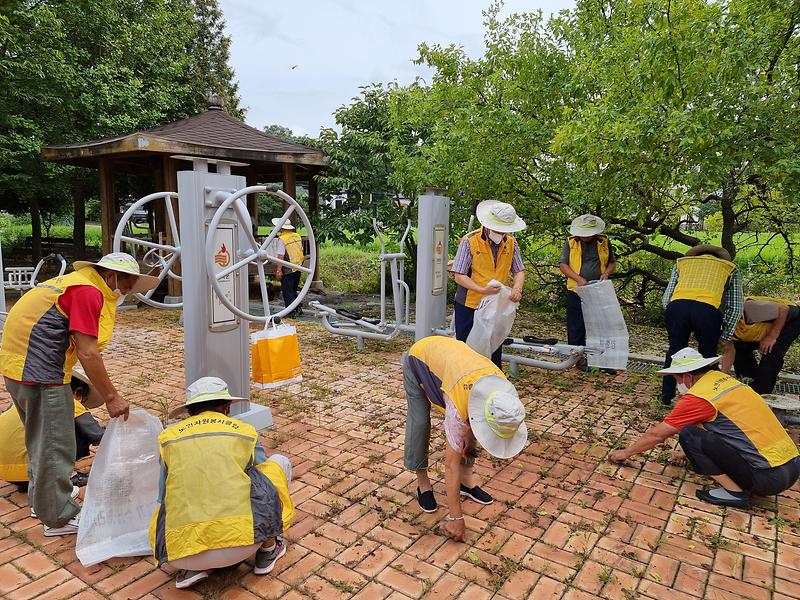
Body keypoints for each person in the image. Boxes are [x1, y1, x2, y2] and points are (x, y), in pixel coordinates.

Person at [0, 252, 159, 535]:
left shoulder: (75, 283)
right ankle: (58, 517)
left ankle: (44, 501)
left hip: (19, 370)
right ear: (110, 275)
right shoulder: (87, 292)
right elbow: (88, 351)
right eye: (126, 285)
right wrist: (111, 396)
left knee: (40, 441)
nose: (126, 292)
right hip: (42, 375)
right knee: (54, 446)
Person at [149, 377, 295, 589]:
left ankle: (193, 568)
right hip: (244, 544)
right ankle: (268, 549)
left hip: (179, 555)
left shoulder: (168, 437)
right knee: (275, 467)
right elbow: (263, 477)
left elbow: (163, 496)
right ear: (227, 407)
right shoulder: (244, 431)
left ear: (189, 411)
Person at [609, 347, 799, 508]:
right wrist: (684, 455)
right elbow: (728, 427)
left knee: (689, 434)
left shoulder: (699, 397)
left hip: (767, 478)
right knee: (695, 432)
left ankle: (735, 493)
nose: (677, 384)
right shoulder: (724, 382)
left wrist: (626, 453)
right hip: (790, 467)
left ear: (688, 376)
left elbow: (658, 434)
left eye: (676, 379)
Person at [403, 336, 528, 541]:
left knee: (473, 426)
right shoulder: (459, 406)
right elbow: (450, 465)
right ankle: (422, 482)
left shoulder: (502, 394)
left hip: (453, 363)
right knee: (420, 423)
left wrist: (469, 442)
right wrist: (456, 518)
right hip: (419, 357)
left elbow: (479, 422)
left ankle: (466, 483)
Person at [661, 245, 743, 405]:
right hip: (707, 310)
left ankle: (666, 397)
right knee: (708, 356)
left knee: (675, 352)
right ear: (720, 258)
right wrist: (725, 335)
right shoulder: (729, 268)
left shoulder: (682, 263)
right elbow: (735, 306)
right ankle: (707, 398)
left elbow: (666, 298)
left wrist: (675, 317)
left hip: (677, 306)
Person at [0, 369, 104, 494]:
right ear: (78, 393)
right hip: (33, 469)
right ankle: (66, 477)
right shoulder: (68, 402)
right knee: (78, 430)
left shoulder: (24, 401)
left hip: (6, 472)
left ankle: (28, 482)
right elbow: (98, 435)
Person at [451, 200, 526, 369]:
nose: (501, 233)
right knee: (467, 349)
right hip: (470, 305)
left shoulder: (512, 243)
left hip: (496, 306)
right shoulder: (469, 241)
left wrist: (517, 288)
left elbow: (519, 270)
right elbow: (459, 275)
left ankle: (491, 385)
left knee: (493, 348)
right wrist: (481, 289)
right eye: (498, 228)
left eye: (505, 229)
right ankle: (465, 387)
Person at [558, 214, 617, 370]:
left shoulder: (603, 241)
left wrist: (606, 274)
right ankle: (578, 359)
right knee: (576, 326)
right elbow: (563, 265)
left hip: (598, 289)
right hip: (576, 290)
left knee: (600, 326)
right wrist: (577, 278)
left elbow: (612, 262)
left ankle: (602, 360)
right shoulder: (571, 242)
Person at [721, 297, 800, 395]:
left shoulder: (748, 308)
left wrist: (771, 337)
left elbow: (783, 309)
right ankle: (749, 378)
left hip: (790, 319)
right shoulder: (722, 327)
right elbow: (729, 351)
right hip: (763, 327)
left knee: (771, 352)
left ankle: (761, 392)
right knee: (740, 348)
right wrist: (722, 377)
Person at [273, 217, 305, 317]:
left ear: (282, 228)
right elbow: (301, 249)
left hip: (288, 267)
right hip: (298, 266)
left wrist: (278, 270)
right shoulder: (297, 236)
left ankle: (291, 312)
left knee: (287, 290)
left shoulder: (282, 239)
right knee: (294, 289)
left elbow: (281, 256)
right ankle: (298, 308)